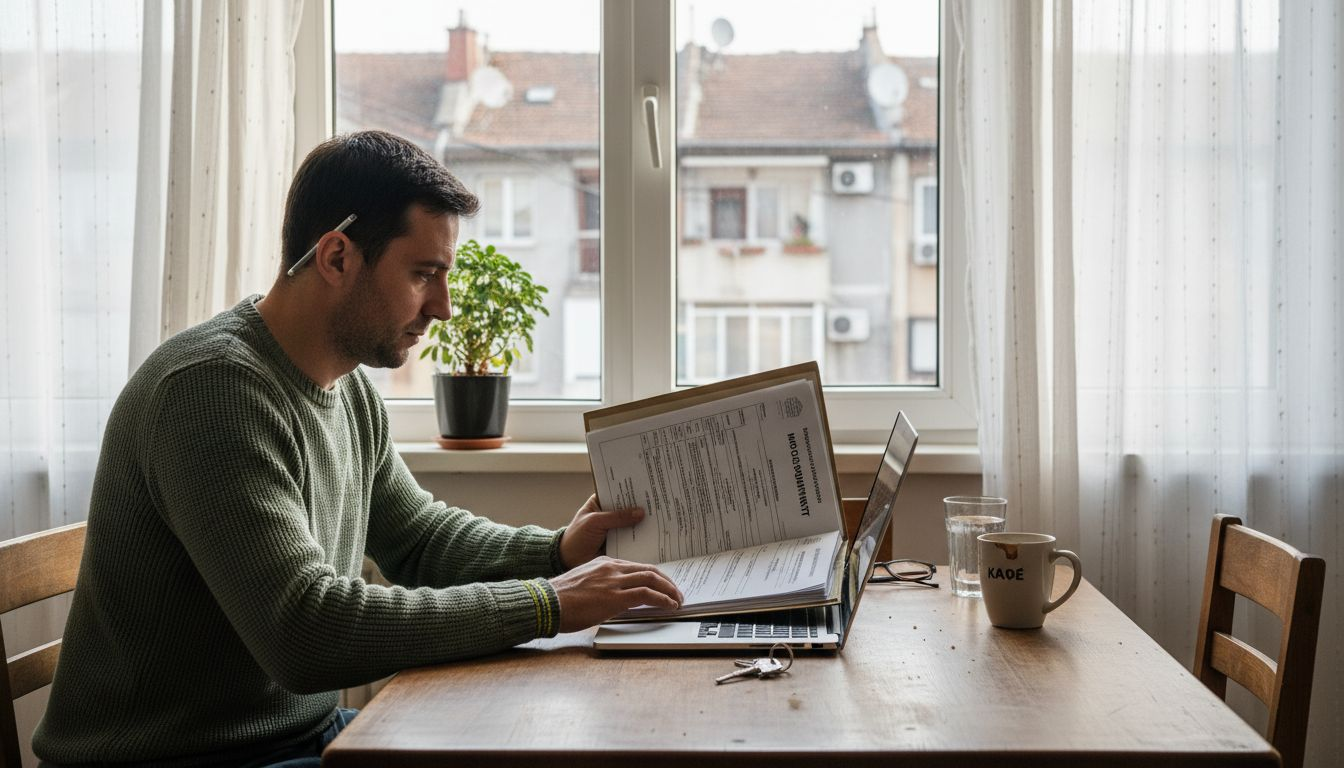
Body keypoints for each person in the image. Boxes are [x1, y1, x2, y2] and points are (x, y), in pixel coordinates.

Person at [32, 130, 683, 767]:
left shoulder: (345, 388)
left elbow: (420, 540)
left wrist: (556, 552)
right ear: (338, 257)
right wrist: (549, 603)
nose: (445, 307)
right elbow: (305, 630)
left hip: (298, 739)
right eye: (424, 274)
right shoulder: (208, 393)